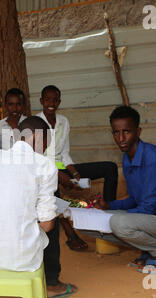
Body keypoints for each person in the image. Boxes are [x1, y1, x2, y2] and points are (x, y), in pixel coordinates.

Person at [0, 116, 76, 298]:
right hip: (24, 258)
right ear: (42, 140)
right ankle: (52, 283)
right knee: (53, 218)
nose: (47, 147)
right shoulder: (45, 165)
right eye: (47, 142)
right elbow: (47, 225)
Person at [93, 105, 156, 274]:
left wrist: (116, 216)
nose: (121, 138)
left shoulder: (152, 156)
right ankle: (148, 247)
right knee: (95, 220)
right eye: (116, 132)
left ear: (138, 131)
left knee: (116, 223)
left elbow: (147, 207)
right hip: (150, 220)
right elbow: (135, 199)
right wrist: (108, 206)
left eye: (126, 131)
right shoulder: (128, 156)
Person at [37, 85, 118, 251]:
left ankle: (108, 215)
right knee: (52, 192)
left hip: (62, 169)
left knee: (110, 168)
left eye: (55, 99)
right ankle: (70, 234)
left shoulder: (63, 121)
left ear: (59, 101)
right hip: (43, 171)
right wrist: (59, 176)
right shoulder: (35, 123)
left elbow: (65, 153)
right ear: (41, 101)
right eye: (47, 99)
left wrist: (75, 173)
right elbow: (38, 158)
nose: (51, 103)